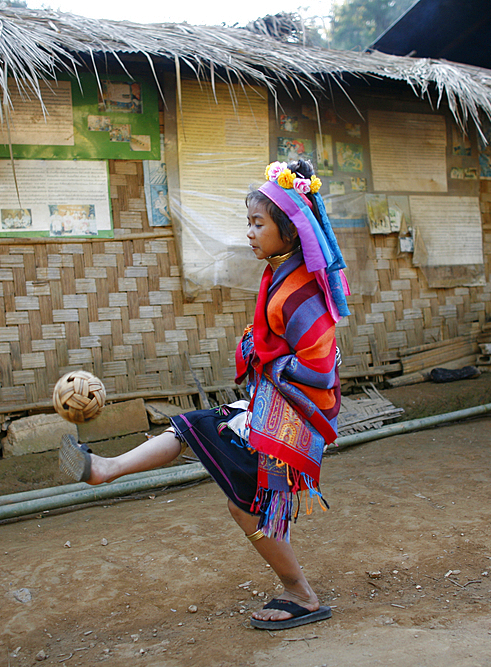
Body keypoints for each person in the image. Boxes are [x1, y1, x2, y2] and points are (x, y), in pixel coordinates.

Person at [61, 159, 349, 630]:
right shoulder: (281, 274)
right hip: (271, 406)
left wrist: (264, 356)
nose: (250, 233)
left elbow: (318, 369)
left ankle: (301, 594)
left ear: (290, 232)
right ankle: (104, 469)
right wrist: (262, 349)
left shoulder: (297, 294)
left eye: (258, 224)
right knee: (192, 427)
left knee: (244, 505)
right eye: (249, 223)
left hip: (292, 420)